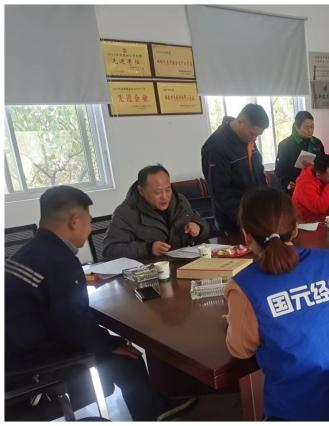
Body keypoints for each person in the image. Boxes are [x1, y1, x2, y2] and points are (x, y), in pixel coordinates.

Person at [6, 186, 195, 421]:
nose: (89, 228)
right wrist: (109, 344)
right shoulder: (59, 262)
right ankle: (152, 413)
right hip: (29, 369)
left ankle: (154, 406)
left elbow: (65, 315)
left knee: (113, 345)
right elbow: (73, 325)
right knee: (127, 358)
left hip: (15, 355)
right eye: (89, 221)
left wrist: (105, 341)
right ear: (74, 221)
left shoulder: (29, 252)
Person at [224, 187, 329, 421]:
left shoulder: (244, 285)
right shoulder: (328, 260)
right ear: (294, 229)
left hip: (300, 412)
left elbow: (241, 349)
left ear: (246, 236)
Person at [101, 165, 210, 261]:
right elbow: (110, 250)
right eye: (158, 192)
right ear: (141, 191)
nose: (165, 197)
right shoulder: (126, 213)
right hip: (149, 271)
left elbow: (205, 226)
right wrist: (148, 248)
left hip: (184, 264)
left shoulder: (179, 201)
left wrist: (198, 228)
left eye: (168, 190)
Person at [202, 104, 269, 235]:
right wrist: (245, 219)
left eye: (257, 136)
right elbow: (220, 193)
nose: (254, 139)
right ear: (241, 122)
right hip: (233, 223)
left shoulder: (247, 140)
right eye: (252, 134)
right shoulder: (215, 147)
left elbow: (259, 174)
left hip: (256, 216)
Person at [273, 111, 325, 193]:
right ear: (297, 127)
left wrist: (315, 166)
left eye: (312, 127)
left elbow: (324, 164)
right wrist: (287, 184)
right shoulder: (285, 145)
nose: (310, 130)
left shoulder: (317, 143)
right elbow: (279, 171)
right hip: (294, 188)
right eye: (306, 127)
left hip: (314, 187)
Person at [291, 154, 329, 223]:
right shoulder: (304, 184)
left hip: (324, 220)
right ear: (318, 175)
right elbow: (320, 208)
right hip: (307, 224)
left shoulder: (321, 175)